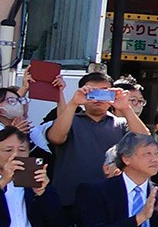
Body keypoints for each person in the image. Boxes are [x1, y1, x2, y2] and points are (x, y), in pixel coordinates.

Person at [46, 66, 149, 216]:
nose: (98, 98)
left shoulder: (120, 124)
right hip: (69, 200)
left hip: (111, 200)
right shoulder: (70, 121)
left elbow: (145, 141)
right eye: (92, 92)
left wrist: (125, 108)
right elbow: (56, 137)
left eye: (104, 92)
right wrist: (74, 103)